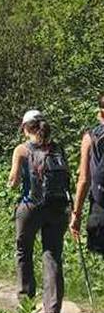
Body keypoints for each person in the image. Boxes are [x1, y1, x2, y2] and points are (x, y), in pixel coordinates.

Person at [8, 110, 71, 313]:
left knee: (23, 251)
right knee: (52, 254)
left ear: (26, 128)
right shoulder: (58, 148)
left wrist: (11, 183)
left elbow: (14, 182)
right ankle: (53, 310)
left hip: (30, 206)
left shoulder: (22, 149)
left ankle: (26, 303)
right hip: (57, 208)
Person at [69, 94, 104, 251]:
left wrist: (76, 214)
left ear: (100, 113)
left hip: (100, 206)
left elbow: (84, 179)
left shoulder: (91, 138)